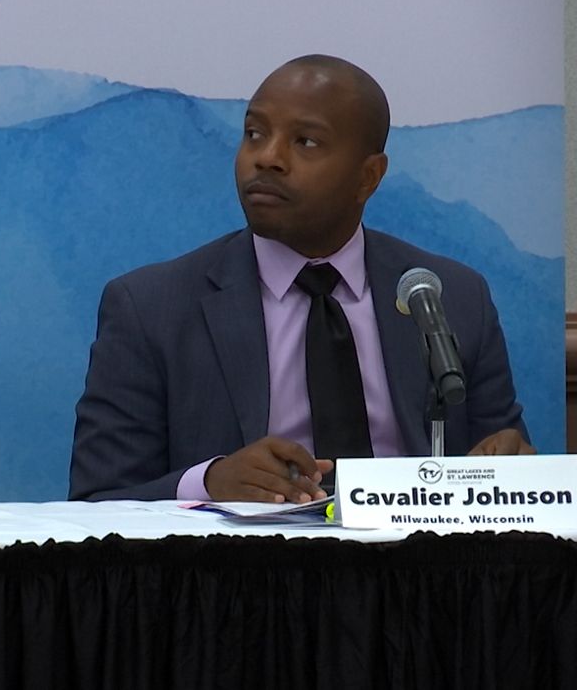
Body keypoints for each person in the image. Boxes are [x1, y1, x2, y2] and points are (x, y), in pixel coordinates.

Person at [69, 54, 532, 505]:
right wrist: (209, 481)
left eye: (305, 142)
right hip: (239, 575)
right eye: (254, 133)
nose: (267, 158)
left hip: (412, 573)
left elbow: (505, 465)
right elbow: (99, 498)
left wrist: (512, 468)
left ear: (368, 177)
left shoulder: (449, 297)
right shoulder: (151, 307)